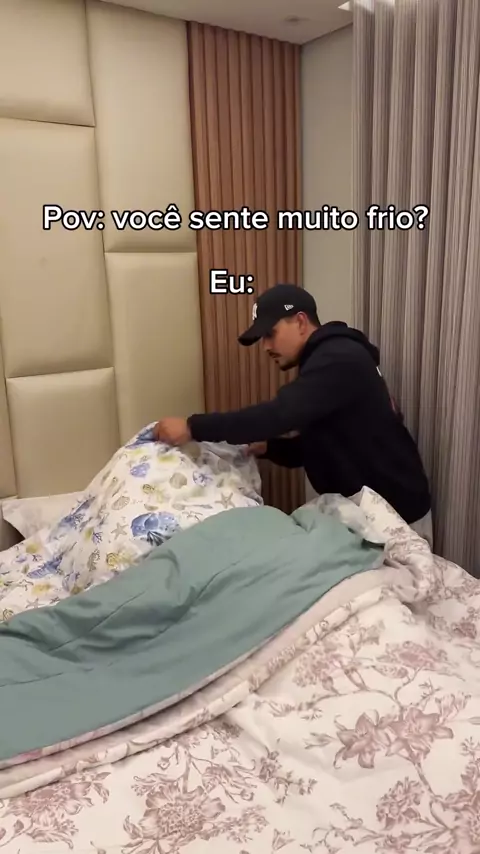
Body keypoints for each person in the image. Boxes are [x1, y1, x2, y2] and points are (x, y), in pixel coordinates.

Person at [154, 284, 432, 536]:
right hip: (371, 512)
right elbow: (323, 443)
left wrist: (192, 426)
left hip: (396, 515)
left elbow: (278, 415)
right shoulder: (327, 359)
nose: (265, 346)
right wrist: (270, 448)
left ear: (300, 321)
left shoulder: (338, 358)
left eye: (270, 334)